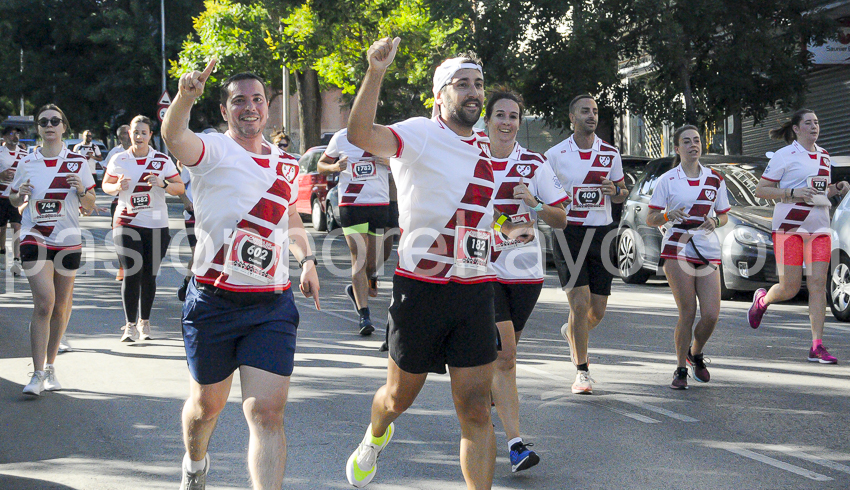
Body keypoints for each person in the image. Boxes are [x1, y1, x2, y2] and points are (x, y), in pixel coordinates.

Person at [343, 38, 530, 490]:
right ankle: (374, 437)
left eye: (478, 84)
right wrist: (376, 72)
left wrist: (506, 229)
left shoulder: (487, 150)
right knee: (396, 398)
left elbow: (481, 214)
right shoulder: (420, 133)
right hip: (421, 289)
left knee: (473, 407)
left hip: (474, 290)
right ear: (439, 96)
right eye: (461, 83)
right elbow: (360, 135)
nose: (473, 91)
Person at [162, 61, 321, 490]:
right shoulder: (213, 150)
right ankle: (195, 465)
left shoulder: (287, 164)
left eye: (256, 100)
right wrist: (184, 97)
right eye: (238, 101)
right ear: (224, 109)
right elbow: (174, 136)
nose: (249, 108)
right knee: (206, 406)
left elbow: (290, 218)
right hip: (213, 301)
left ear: (268, 108)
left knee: (266, 413)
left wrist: (306, 260)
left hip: (271, 304)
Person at [485, 88, 568, 471]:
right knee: (506, 355)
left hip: (526, 275)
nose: (506, 122)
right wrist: (503, 225)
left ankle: (486, 393)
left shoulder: (534, 164)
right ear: (487, 120)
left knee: (501, 356)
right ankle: (516, 445)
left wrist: (533, 204)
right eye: (500, 114)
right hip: (482, 270)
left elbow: (560, 218)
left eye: (513, 116)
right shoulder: (470, 160)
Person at [749, 109, 849, 363]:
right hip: (789, 227)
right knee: (790, 288)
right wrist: (793, 193)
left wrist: (836, 188)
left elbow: (819, 191)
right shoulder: (785, 155)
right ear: (796, 128)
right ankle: (763, 299)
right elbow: (762, 190)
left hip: (819, 228)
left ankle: (817, 345)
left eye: (816, 122)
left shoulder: (825, 155)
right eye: (808, 123)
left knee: (818, 285)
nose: (814, 126)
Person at [545, 94, 628, 395]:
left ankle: (572, 333)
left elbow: (622, 191)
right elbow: (544, 193)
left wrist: (615, 189)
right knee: (579, 304)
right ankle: (582, 372)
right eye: (585, 111)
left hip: (603, 233)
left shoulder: (610, 153)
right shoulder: (554, 155)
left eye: (594, 111)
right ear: (572, 118)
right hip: (570, 232)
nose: (591, 116)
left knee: (598, 310)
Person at [11, 104, 96, 395]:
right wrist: (18, 195)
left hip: (68, 239)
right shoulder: (27, 161)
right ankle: (35, 374)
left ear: (63, 127)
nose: (49, 125)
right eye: (43, 121)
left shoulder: (77, 162)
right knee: (45, 302)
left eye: (55, 120)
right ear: (38, 128)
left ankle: (50, 367)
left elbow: (89, 204)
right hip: (35, 236)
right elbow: (12, 199)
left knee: (61, 306)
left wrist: (82, 191)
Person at [645, 125, 730, 389]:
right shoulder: (668, 180)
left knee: (712, 314)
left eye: (696, 140)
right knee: (688, 311)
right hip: (676, 246)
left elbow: (724, 214)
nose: (693, 145)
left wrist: (715, 220)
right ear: (677, 148)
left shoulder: (715, 178)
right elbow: (650, 218)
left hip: (707, 248)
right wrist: (670, 215)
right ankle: (680, 368)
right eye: (687, 141)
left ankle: (695, 352)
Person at [102, 115, 185, 342]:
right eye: (135, 132)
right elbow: (105, 185)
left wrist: (163, 184)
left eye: (143, 133)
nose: (139, 137)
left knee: (149, 275)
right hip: (126, 223)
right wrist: (116, 187)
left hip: (156, 224)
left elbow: (179, 188)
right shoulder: (119, 159)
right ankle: (129, 324)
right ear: (129, 134)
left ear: (150, 135)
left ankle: (144, 321)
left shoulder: (161, 161)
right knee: (131, 272)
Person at [317, 128, 391, 335]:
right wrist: (333, 166)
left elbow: (407, 163)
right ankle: (364, 314)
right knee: (358, 257)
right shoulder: (341, 137)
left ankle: (366, 281)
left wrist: (389, 162)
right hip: (351, 203)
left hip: (379, 202)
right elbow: (320, 165)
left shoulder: (384, 135)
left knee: (375, 260)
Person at [105, 124, 132, 281]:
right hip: (118, 200)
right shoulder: (114, 153)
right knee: (119, 233)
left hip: (139, 201)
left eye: (128, 132)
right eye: (122, 134)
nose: (126, 136)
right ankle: (122, 264)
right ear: (119, 137)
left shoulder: (144, 151)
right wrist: (116, 185)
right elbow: (107, 179)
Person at [0, 125, 26, 276]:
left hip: (16, 196)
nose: (15, 136)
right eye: (11, 133)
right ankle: (2, 253)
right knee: (1, 228)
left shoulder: (24, 154)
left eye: (17, 134)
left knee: (17, 226)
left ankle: (16, 260)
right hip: (1, 195)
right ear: (4, 137)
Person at [176, 160, 196, 302]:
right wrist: (186, 202)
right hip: (193, 215)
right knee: (198, 255)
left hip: (213, 215)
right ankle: (188, 280)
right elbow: (180, 188)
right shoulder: (191, 165)